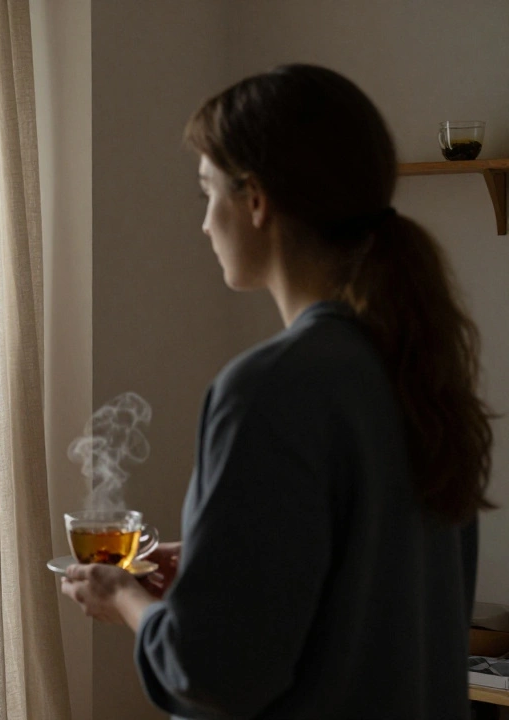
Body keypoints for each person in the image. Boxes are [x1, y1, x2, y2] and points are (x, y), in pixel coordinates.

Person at [61, 64, 492, 719]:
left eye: (208, 193)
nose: (205, 224)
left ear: (256, 201)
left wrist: (123, 599)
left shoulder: (268, 389)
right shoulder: (421, 371)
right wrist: (217, 567)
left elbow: (211, 672)